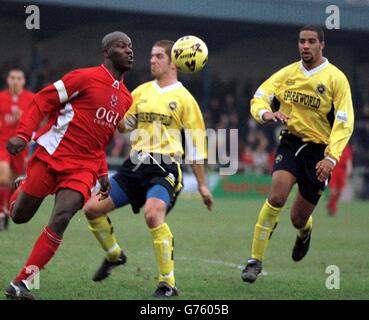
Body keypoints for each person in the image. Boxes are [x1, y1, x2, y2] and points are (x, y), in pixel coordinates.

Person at [4, 31, 134, 300]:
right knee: (19, 216)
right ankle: (24, 187)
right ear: (107, 52)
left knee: (62, 216)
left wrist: (101, 173)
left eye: (131, 47)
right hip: (52, 155)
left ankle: (22, 282)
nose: (130, 51)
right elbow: (42, 100)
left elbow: (99, 139)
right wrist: (23, 133)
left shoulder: (126, 99)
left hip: (83, 168)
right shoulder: (83, 77)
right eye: (123, 46)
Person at [83, 40, 213, 298]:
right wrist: (111, 104)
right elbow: (123, 126)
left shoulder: (185, 99)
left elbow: (197, 147)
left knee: (153, 215)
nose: (152, 61)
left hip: (165, 166)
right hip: (135, 164)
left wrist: (202, 184)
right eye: (151, 56)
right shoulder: (141, 92)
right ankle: (114, 256)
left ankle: (168, 284)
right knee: (91, 210)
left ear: (172, 62)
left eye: (158, 57)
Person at [241, 25, 354, 283]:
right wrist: (266, 113)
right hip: (291, 143)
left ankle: (305, 233)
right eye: (302, 41)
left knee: (298, 217)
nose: (305, 45)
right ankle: (254, 260)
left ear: (321, 45)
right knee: (278, 195)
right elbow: (259, 96)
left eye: (311, 41)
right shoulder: (287, 74)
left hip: (319, 152)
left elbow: (344, 122)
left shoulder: (336, 79)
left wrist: (331, 157)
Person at [0, 68, 34, 231]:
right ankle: (1, 212)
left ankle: (6, 210)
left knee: (12, 182)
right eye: (12, 78)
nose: (15, 81)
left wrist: (24, 117)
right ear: (7, 80)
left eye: (19, 78)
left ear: (23, 81)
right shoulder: (1, 98)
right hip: (2, 144)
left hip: (21, 146)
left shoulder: (31, 99)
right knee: (3, 175)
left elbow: (40, 122)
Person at [327, 144, 353, 216]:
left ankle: (330, 205)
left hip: (341, 172)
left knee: (340, 191)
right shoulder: (334, 143)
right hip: (333, 170)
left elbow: (348, 159)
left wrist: (349, 167)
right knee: (333, 191)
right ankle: (332, 208)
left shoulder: (346, 147)